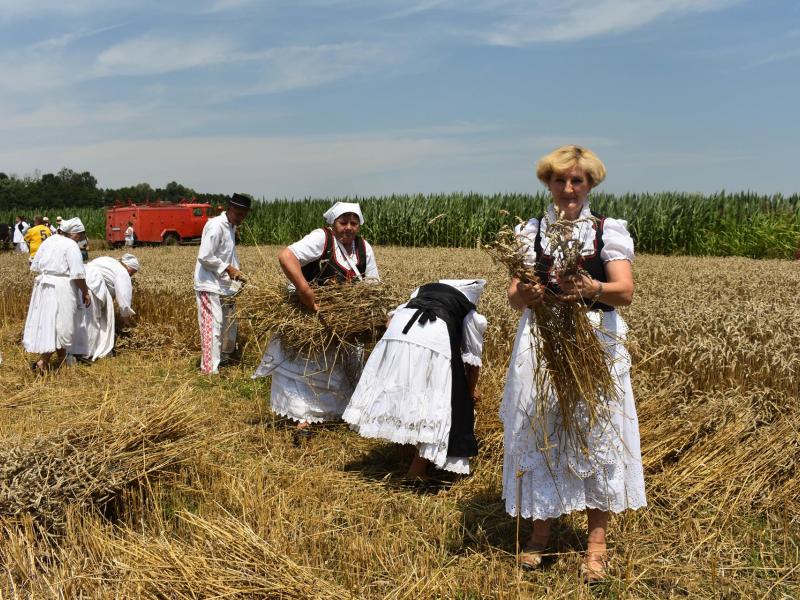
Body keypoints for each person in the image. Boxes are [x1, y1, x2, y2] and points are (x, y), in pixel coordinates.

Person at [501, 145, 645, 581]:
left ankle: (595, 547)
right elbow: (513, 295)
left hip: (593, 344)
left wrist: (590, 287)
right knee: (541, 430)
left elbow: (624, 291)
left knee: (595, 433)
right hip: (540, 343)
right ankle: (540, 536)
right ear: (548, 183)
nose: (568, 188)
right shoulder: (530, 232)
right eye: (560, 180)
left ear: (590, 185)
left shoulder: (608, 230)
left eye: (577, 181)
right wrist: (526, 296)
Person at [253, 202, 379, 431]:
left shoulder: (363, 248)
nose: (349, 228)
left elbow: (372, 284)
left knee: (338, 368)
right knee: (307, 369)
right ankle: (303, 418)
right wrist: (304, 290)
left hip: (343, 323)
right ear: (332, 224)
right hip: (312, 316)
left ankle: (335, 414)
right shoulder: (322, 239)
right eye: (343, 222)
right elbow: (286, 256)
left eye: (354, 223)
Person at [343, 279, 487, 478]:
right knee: (436, 403)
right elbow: (472, 362)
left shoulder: (421, 292)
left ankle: (405, 447)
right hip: (434, 340)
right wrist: (468, 395)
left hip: (397, 334)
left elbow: (389, 322)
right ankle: (416, 472)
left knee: (405, 392)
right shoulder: (471, 313)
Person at [22, 217, 91, 373]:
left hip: (43, 287)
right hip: (61, 288)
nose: (80, 238)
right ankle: (43, 361)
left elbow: (35, 264)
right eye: (80, 235)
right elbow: (78, 274)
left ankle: (62, 362)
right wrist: (85, 292)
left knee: (51, 323)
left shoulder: (49, 241)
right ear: (74, 233)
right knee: (62, 325)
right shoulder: (71, 245)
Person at [194, 193, 250, 375]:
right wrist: (228, 269)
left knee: (228, 325)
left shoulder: (231, 227)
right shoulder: (216, 225)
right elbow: (204, 256)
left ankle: (223, 358)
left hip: (224, 285)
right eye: (240, 213)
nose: (242, 218)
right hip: (208, 284)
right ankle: (209, 371)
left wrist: (237, 277)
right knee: (213, 325)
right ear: (231, 209)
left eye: (245, 214)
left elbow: (227, 254)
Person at [76, 253, 139, 361]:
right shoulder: (122, 272)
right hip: (94, 287)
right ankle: (89, 353)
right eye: (132, 272)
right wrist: (126, 319)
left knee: (80, 320)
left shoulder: (108, 260)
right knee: (95, 321)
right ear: (128, 267)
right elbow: (124, 298)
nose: (131, 275)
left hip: (79, 283)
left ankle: (74, 351)